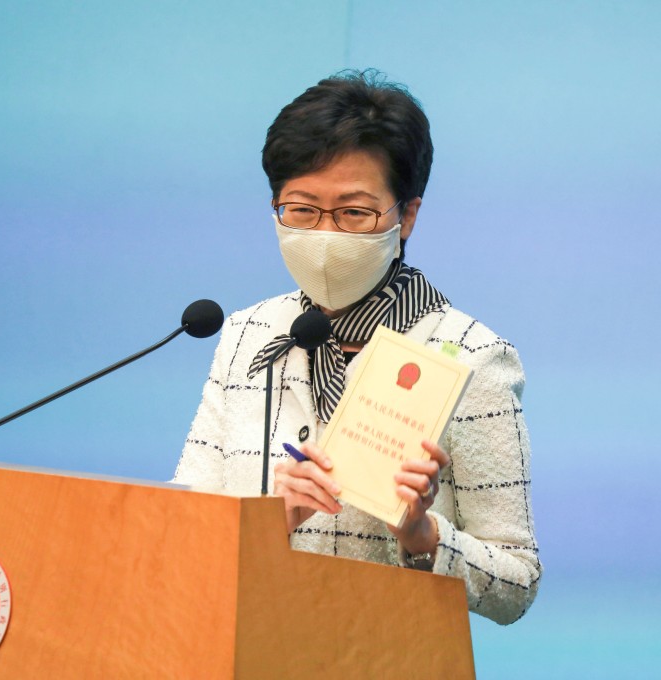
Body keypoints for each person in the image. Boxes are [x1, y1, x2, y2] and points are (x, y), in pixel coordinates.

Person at [173, 70, 540, 625]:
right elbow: (183, 533)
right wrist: (272, 518)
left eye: (353, 212)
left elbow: (517, 582)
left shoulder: (471, 355)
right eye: (300, 209)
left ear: (406, 215)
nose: (325, 235)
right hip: (247, 648)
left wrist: (424, 536)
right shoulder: (248, 333)